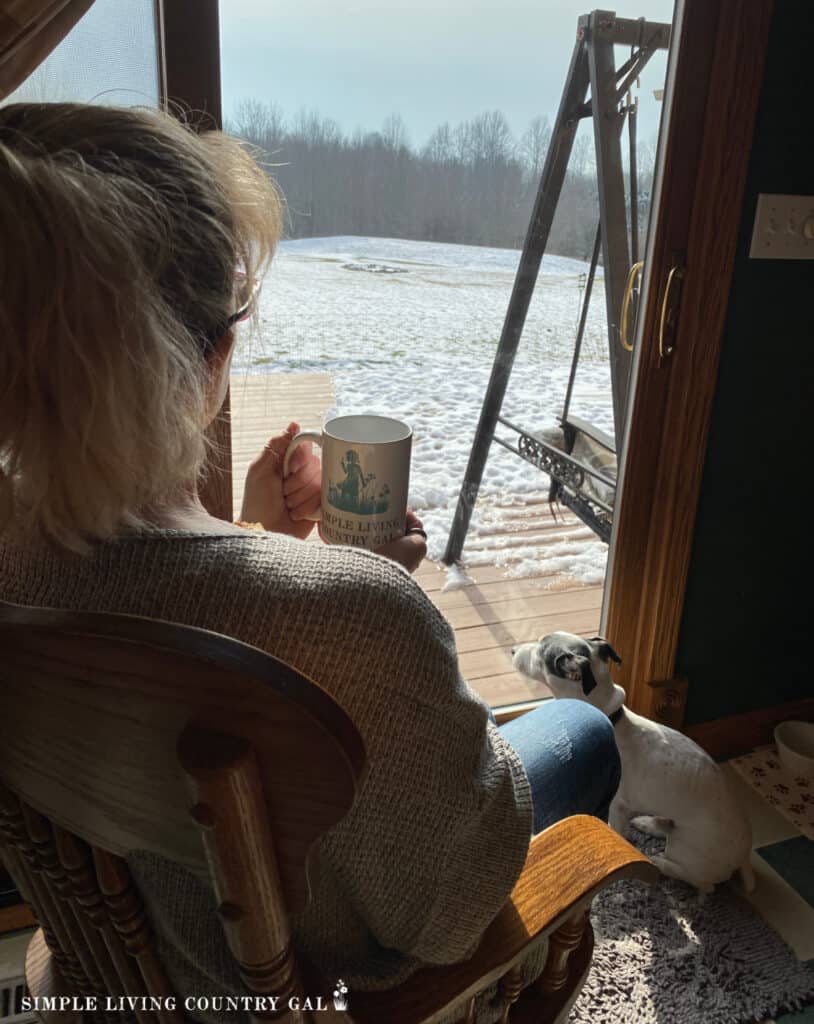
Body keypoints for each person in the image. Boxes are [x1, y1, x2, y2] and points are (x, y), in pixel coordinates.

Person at [0, 103, 620, 1019]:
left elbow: (151, 587)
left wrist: (252, 544)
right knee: (584, 736)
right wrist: (373, 598)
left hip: (119, 967)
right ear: (212, 354)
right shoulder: (361, 620)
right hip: (309, 994)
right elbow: (447, 919)